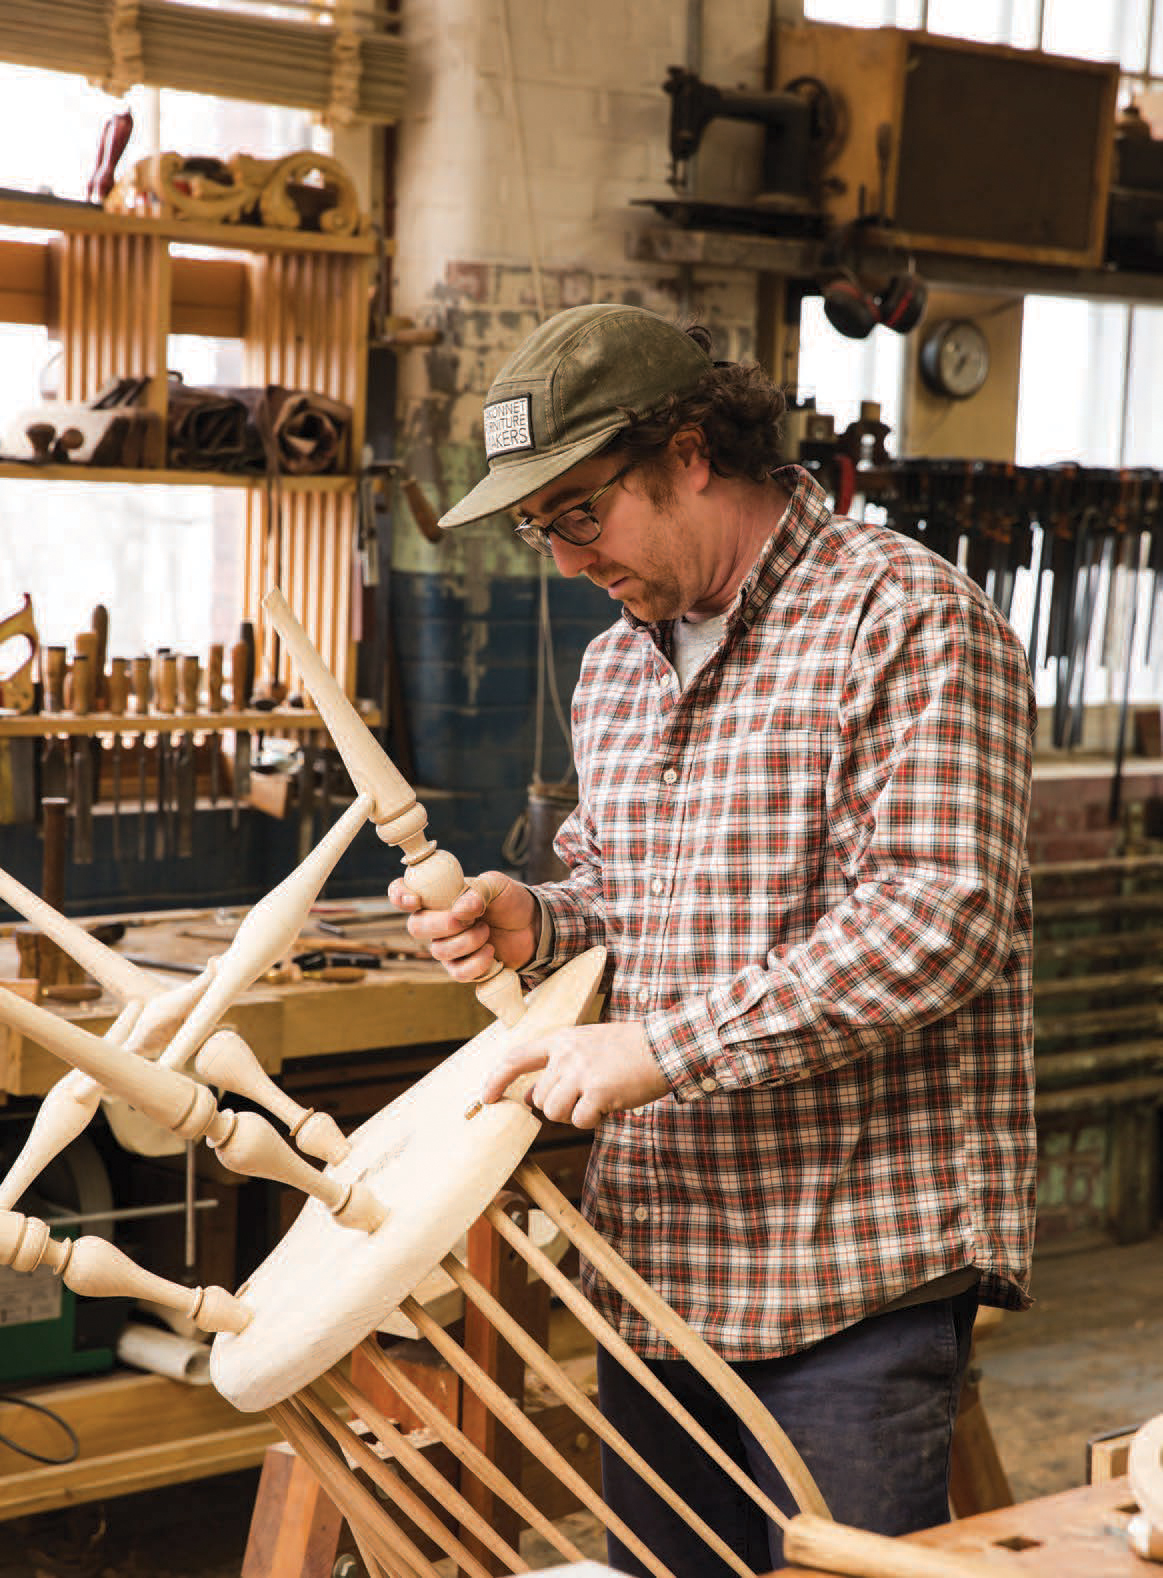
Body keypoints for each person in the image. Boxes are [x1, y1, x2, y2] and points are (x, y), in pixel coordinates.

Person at [388, 302, 1037, 1574]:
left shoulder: (901, 618)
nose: (568, 559)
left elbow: (936, 915)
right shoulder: (620, 667)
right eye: (540, 527)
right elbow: (621, 906)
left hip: (846, 1270)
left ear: (690, 452)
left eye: (581, 512)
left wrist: (668, 1050)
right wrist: (534, 924)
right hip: (659, 1273)